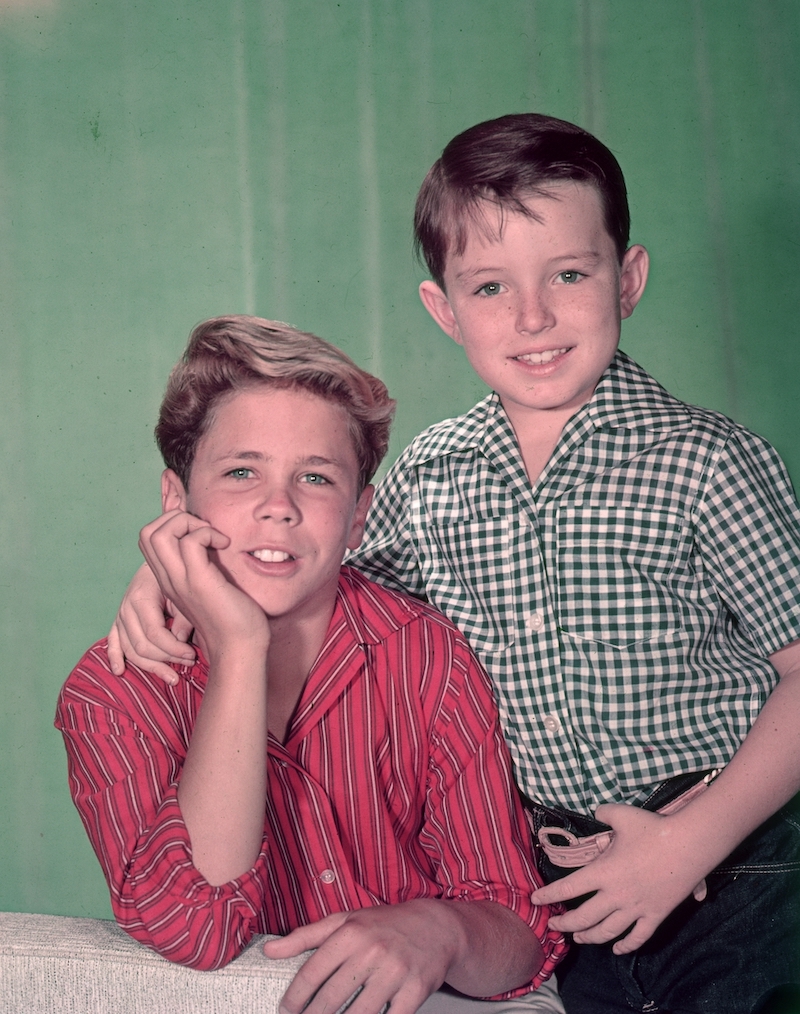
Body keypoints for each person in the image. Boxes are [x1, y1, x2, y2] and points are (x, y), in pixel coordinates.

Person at [106, 116, 800, 1014]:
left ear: (626, 281)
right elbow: (317, 584)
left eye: (570, 274)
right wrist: (175, 571)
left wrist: (689, 842)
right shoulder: (429, 475)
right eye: (489, 286)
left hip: (736, 857)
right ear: (444, 308)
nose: (534, 316)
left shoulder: (708, 460)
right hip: (560, 890)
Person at [55, 316, 567, 1014]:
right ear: (176, 501)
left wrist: (441, 928)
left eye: (316, 478)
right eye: (242, 472)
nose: (278, 508)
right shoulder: (111, 693)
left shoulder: (426, 655)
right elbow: (196, 932)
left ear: (360, 516)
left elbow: (520, 935)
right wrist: (239, 651)